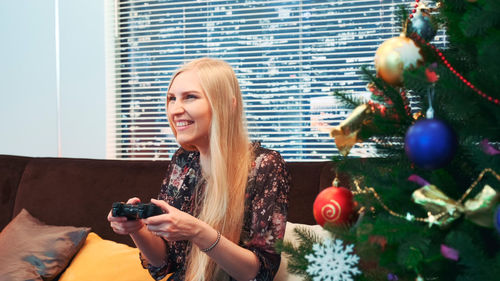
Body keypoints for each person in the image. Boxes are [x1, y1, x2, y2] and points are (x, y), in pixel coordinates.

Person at [108, 58, 291, 281]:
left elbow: (260, 273)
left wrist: (196, 231)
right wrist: (137, 229)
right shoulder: (182, 161)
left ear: (227, 104)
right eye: (171, 99)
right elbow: (166, 262)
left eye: (190, 97)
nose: (175, 109)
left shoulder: (265, 165)